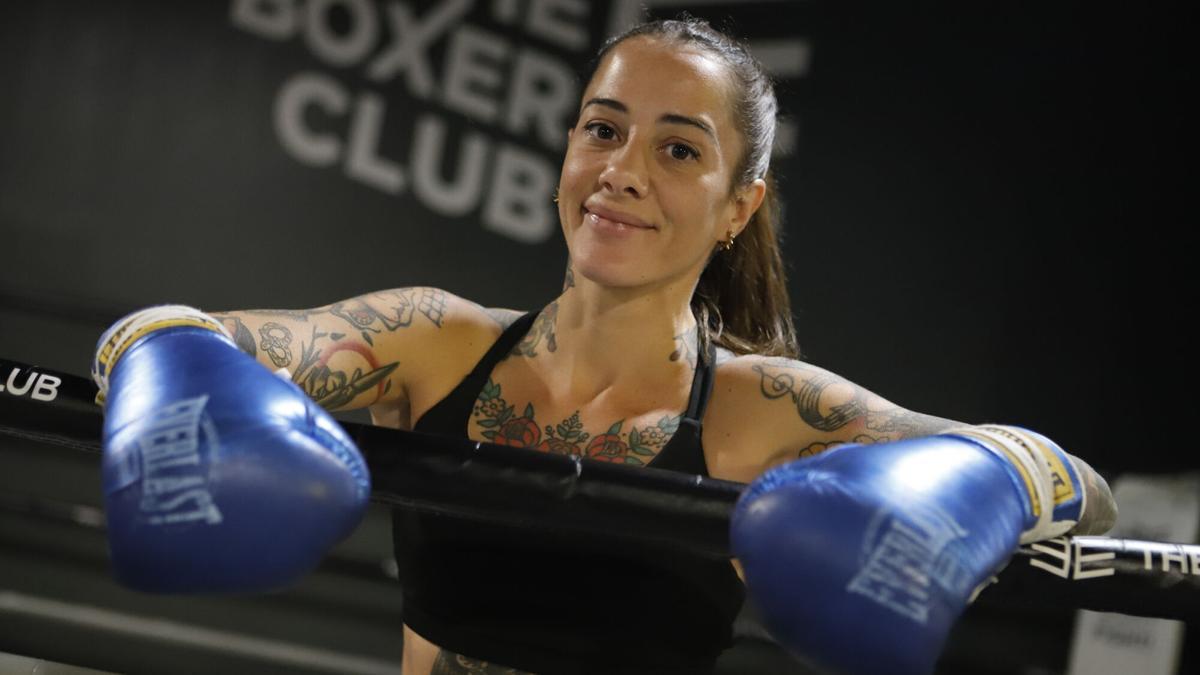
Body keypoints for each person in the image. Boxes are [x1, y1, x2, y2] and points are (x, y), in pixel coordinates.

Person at [91, 17, 1116, 675]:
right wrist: (166, 367)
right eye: (602, 128)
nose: (623, 169)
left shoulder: (763, 411)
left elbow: (1076, 486)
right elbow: (203, 339)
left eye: (678, 148)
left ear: (735, 207)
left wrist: (962, 498)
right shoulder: (437, 344)